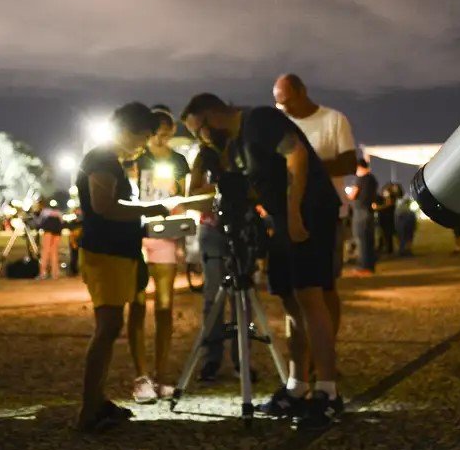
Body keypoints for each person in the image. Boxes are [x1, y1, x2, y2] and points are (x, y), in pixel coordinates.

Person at [182, 93, 343, 430]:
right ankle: (297, 386)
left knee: (310, 296)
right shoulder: (237, 144)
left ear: (212, 114)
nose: (203, 138)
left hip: (309, 211)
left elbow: (296, 155)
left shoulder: (259, 120)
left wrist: (296, 212)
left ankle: (327, 392)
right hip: (281, 219)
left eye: (201, 129)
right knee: (289, 299)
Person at [75, 102, 169, 433]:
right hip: (106, 254)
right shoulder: (101, 160)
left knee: (110, 327)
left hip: (114, 253)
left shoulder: (107, 160)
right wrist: (150, 209)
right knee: (107, 329)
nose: (144, 145)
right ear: (128, 131)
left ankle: (97, 402)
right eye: (143, 137)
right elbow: (104, 207)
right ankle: (89, 408)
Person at [273, 73, 356, 341]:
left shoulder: (334, 120)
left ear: (302, 92)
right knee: (297, 289)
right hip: (292, 213)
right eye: (279, 105)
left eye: (287, 102)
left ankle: (326, 350)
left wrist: (307, 169)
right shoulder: (282, 126)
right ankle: (306, 352)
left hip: (328, 213)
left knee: (325, 286)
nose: (284, 109)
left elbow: (348, 164)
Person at [127, 107, 190, 402]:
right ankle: (141, 376)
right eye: (158, 134)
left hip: (165, 232)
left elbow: (183, 197)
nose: (162, 139)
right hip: (138, 234)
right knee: (137, 305)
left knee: (165, 308)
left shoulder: (178, 161)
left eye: (168, 134)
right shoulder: (136, 158)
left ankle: (161, 374)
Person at [188, 142, 240, 382]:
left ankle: (242, 358)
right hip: (210, 229)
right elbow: (193, 195)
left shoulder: (240, 150)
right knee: (212, 297)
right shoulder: (203, 158)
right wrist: (219, 187)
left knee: (241, 299)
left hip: (238, 229)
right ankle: (212, 358)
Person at [348, 159, 379, 275]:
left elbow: (352, 195)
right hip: (369, 211)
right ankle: (370, 266)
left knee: (361, 240)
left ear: (358, 166)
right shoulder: (372, 179)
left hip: (360, 212)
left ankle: (363, 267)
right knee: (369, 240)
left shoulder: (360, 179)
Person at [34, 200, 65, 279]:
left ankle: (42, 273)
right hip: (57, 232)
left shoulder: (45, 211)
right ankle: (55, 273)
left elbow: (39, 222)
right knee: (54, 251)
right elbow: (62, 222)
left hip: (48, 231)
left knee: (45, 251)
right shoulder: (59, 212)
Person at [375, 182, 399, 257]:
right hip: (384, 218)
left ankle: (388, 250)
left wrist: (377, 208)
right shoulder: (387, 197)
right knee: (384, 234)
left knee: (387, 234)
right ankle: (385, 248)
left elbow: (389, 205)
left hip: (387, 218)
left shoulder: (391, 197)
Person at [393, 185, 418, 256]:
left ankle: (407, 250)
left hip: (406, 217)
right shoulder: (394, 199)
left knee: (408, 235)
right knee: (401, 235)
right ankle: (403, 250)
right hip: (400, 218)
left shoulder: (405, 198)